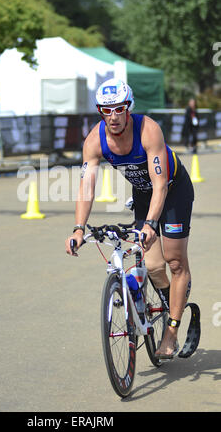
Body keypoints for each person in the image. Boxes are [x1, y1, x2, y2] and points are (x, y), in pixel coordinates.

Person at [65, 78, 195, 360]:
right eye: (105, 110)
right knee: (152, 265)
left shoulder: (148, 130)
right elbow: (86, 186)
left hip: (172, 189)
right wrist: (78, 229)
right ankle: (169, 298)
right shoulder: (95, 140)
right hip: (143, 193)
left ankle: (172, 331)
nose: (112, 117)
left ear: (128, 107)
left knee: (173, 260)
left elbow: (160, 184)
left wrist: (150, 224)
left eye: (118, 109)